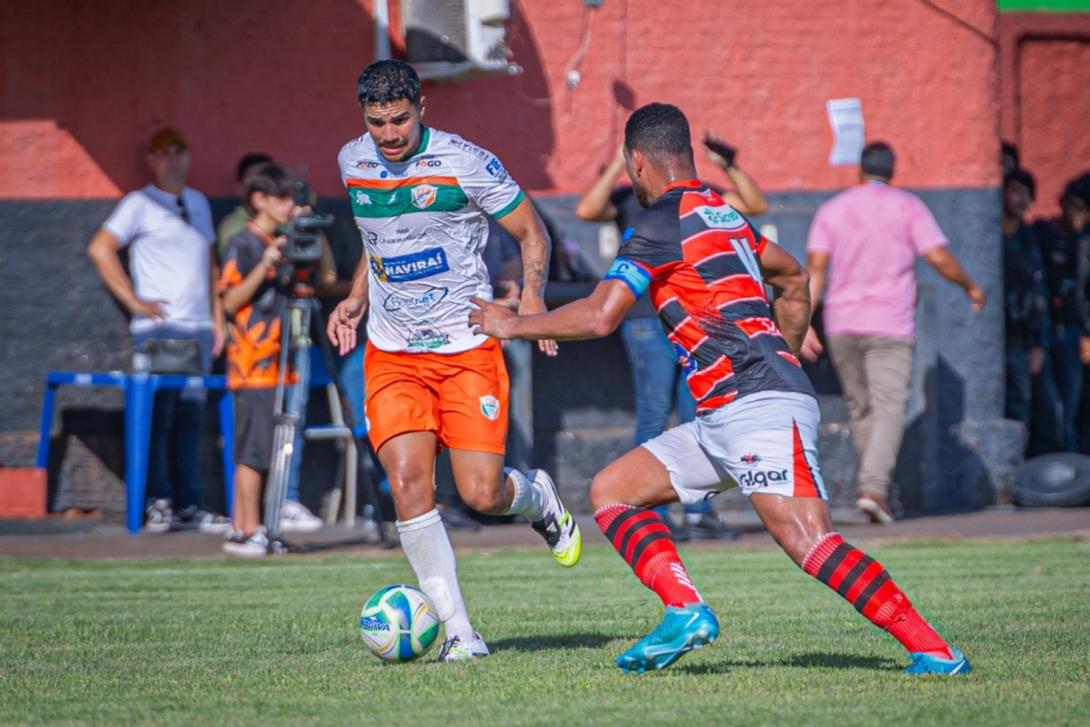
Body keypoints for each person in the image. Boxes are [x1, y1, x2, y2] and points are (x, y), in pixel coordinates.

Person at [469, 102, 971, 676]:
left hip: (756, 405)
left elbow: (601, 315)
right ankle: (684, 611)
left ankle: (935, 651)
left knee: (810, 541)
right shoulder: (722, 214)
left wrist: (513, 324)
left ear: (637, 162)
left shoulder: (658, 223)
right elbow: (793, 278)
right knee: (612, 491)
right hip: (726, 412)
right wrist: (783, 351)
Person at [327, 59, 581, 661]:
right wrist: (358, 295)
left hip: (465, 349)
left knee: (481, 494)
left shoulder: (466, 162)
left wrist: (532, 301)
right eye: (377, 123)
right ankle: (461, 634)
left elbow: (533, 232)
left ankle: (538, 497)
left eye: (400, 120)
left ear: (422, 108)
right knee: (409, 484)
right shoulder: (352, 160)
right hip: (393, 353)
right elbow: (376, 235)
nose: (389, 135)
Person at [575, 134, 768, 539]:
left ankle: (698, 513)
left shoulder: (699, 196)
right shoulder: (630, 197)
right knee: (654, 412)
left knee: (699, 412)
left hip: (693, 320)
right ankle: (653, 514)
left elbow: (755, 205)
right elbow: (586, 209)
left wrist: (728, 165)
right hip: (647, 320)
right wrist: (619, 164)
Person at [801, 141, 985, 523]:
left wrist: (802, 324)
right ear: (892, 171)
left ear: (859, 171)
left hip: (841, 323)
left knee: (861, 407)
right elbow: (937, 256)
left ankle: (876, 490)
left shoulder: (833, 209)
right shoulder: (908, 206)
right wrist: (969, 285)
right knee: (889, 406)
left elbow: (816, 268)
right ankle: (873, 488)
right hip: (889, 322)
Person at [86, 127, 228, 533]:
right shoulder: (139, 203)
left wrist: (219, 320)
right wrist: (134, 301)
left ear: (188, 156)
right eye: (163, 153)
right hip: (159, 332)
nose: (172, 160)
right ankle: (156, 502)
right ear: (151, 160)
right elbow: (100, 248)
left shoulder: (198, 201)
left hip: (199, 330)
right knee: (157, 417)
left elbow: (209, 262)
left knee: (191, 419)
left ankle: (190, 504)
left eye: (178, 152)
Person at [218, 163, 298, 556]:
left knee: (263, 450)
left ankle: (246, 527)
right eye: (282, 198)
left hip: (278, 364)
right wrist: (265, 266)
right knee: (252, 452)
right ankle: (247, 528)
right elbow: (230, 301)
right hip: (252, 364)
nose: (289, 206)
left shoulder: (280, 240)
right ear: (259, 199)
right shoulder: (244, 243)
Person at [1001, 168, 1062, 454]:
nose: (1021, 199)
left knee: (1029, 412)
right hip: (997, 341)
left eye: (1027, 193)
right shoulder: (991, 238)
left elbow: (1040, 297)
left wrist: (1039, 344)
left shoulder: (1031, 241)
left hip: (1022, 345)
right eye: (1015, 191)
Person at [1033, 176, 1090, 452]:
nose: (1079, 215)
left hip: (1073, 334)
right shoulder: (1041, 235)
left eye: (1085, 210)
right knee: (1045, 404)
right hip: (1040, 334)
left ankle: (1072, 463)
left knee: (1072, 404)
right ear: (1062, 202)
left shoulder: (1086, 243)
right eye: (1075, 206)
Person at [216, 152, 273, 260]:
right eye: (255, 182)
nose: (263, 188)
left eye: (269, 181)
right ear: (240, 188)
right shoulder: (232, 229)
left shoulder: (286, 220)